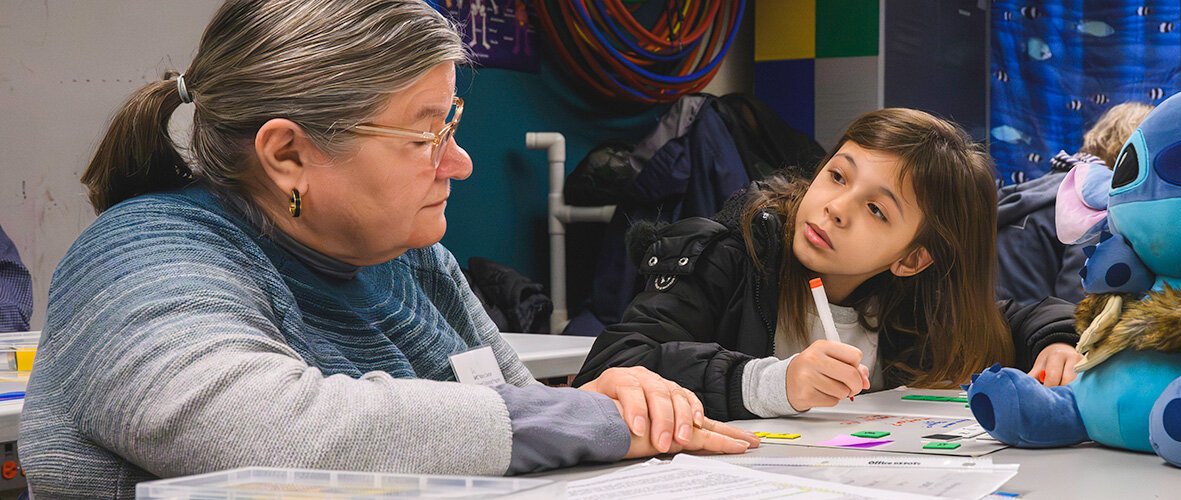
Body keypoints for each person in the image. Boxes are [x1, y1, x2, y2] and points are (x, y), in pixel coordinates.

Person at [19, 1, 752, 497]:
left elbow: (506, 416)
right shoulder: (137, 257)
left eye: (451, 124)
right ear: (286, 154)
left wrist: (588, 405)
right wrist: (585, 419)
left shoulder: (409, 259)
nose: (459, 162)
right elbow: (265, 432)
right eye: (426, 133)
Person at [577, 109, 1082, 419]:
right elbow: (610, 365)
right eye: (838, 176)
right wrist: (774, 382)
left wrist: (1057, 342)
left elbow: (1013, 316)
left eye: (876, 209)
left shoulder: (912, 302)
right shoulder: (729, 254)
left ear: (912, 259)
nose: (836, 208)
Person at [995, 102, 1153, 306]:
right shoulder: (1095, 200)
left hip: (994, 326)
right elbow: (1081, 297)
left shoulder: (1042, 188)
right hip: (1044, 334)